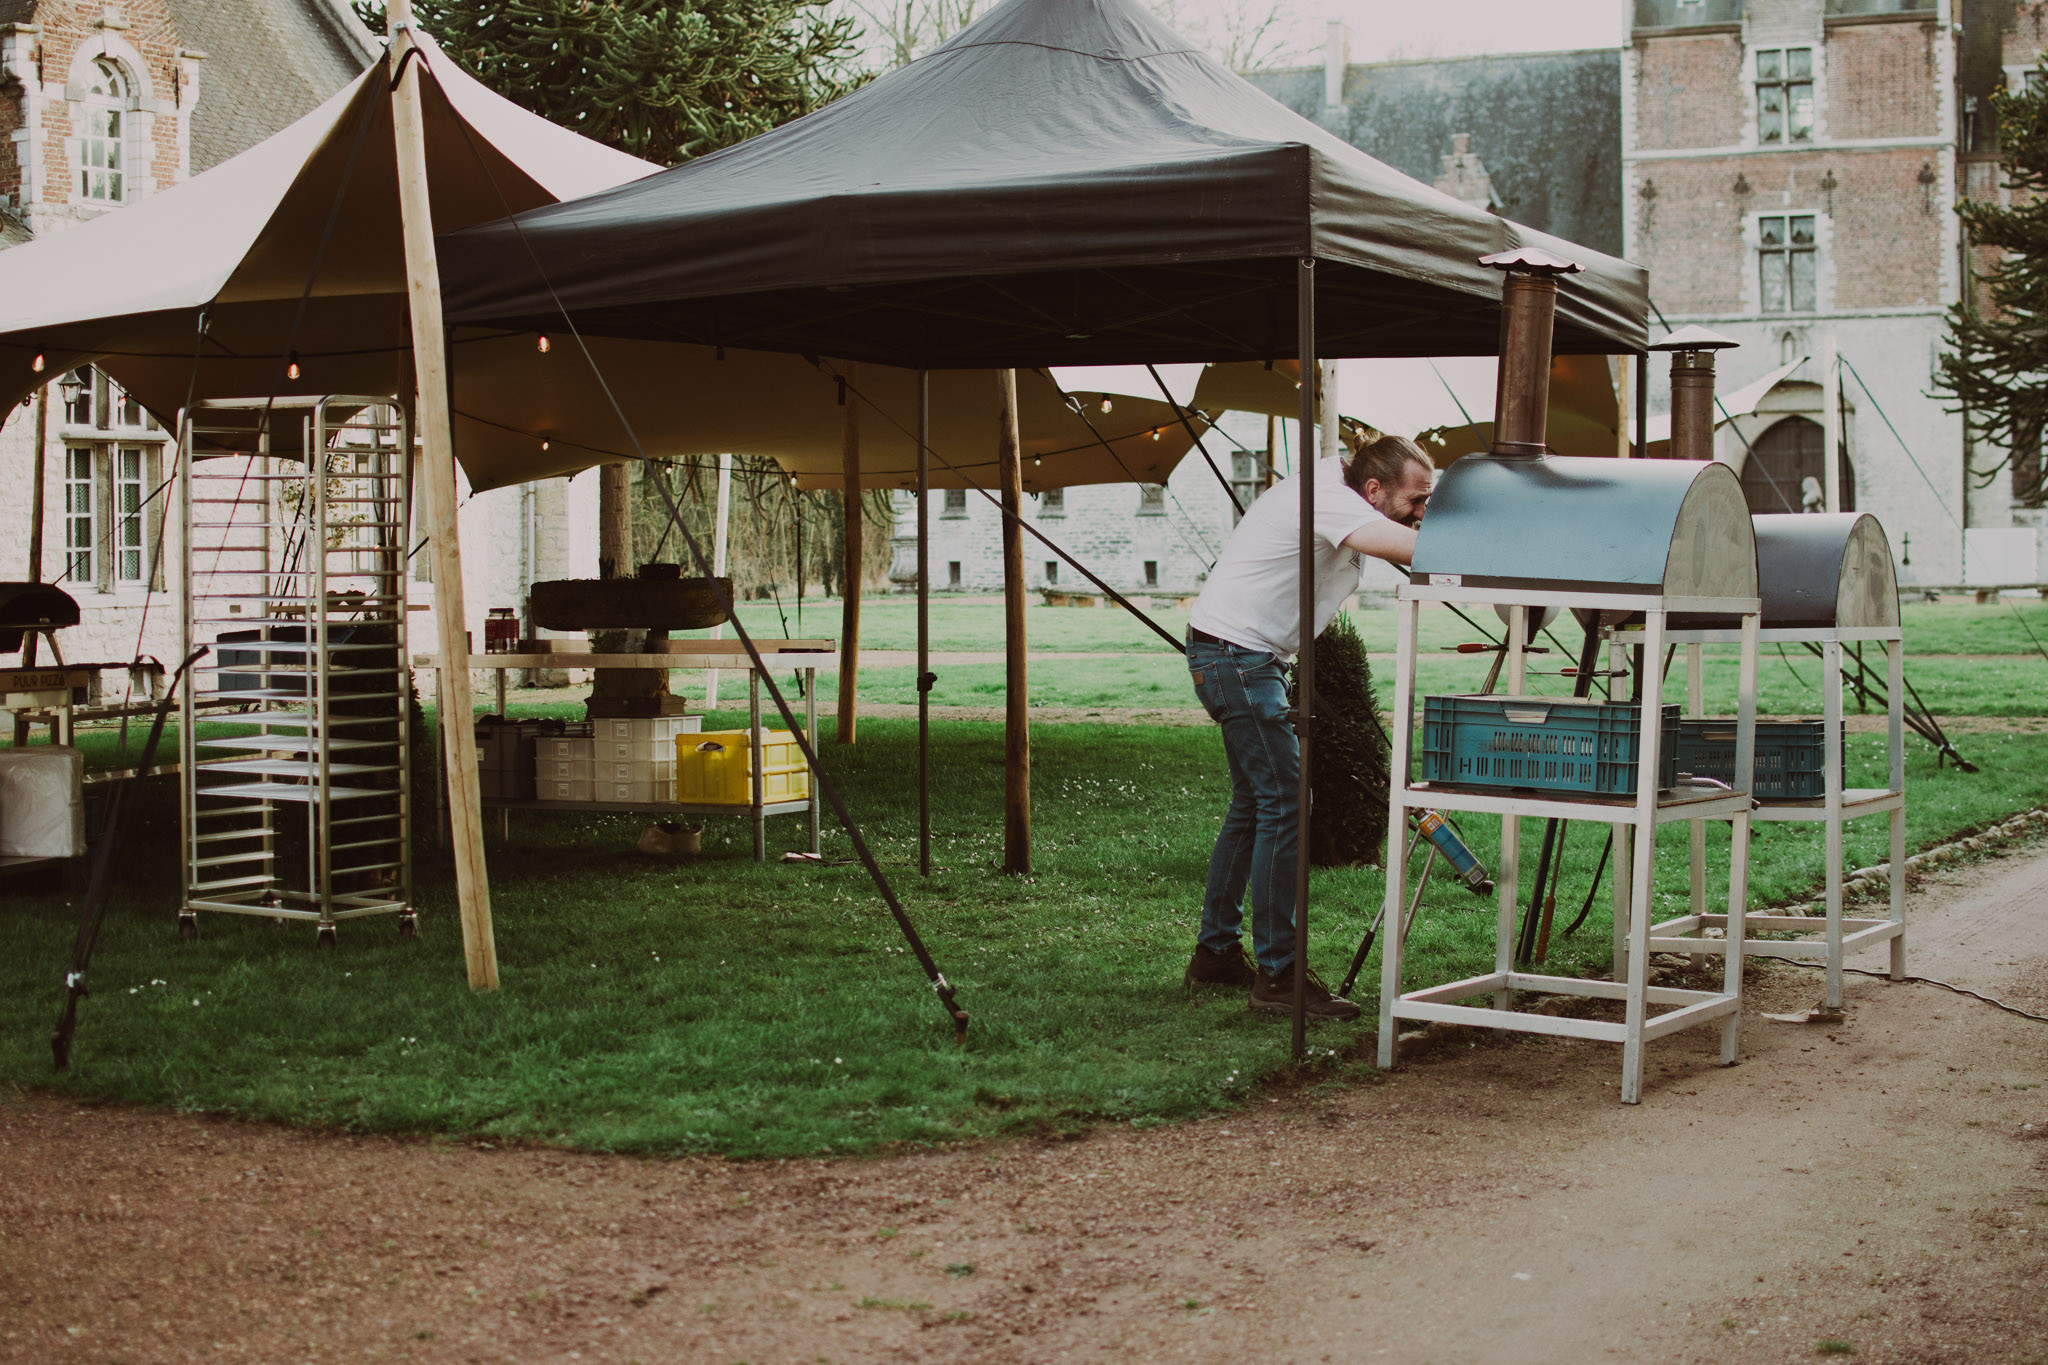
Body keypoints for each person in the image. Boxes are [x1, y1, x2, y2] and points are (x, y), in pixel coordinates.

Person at [1183, 429, 1434, 1019]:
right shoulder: (1330, 497)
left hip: (1240, 656)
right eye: (1415, 501)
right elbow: (1415, 551)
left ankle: (1215, 954)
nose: (1422, 513)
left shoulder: (1342, 490)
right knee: (1285, 803)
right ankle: (1278, 976)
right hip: (1238, 659)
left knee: (1255, 803)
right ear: (1373, 490)